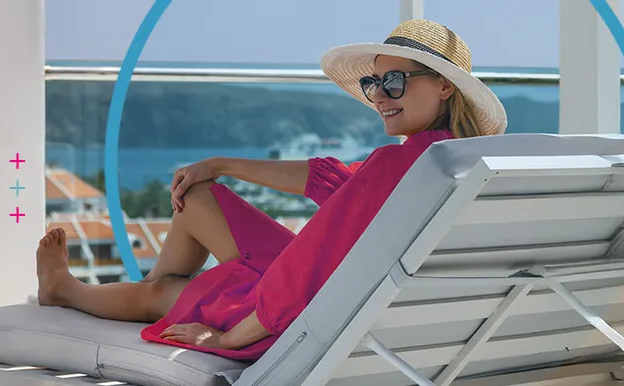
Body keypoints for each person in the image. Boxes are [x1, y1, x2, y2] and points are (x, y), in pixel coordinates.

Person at [32, 19, 508, 361]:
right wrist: (222, 165)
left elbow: (314, 262)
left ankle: (69, 291)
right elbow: (344, 188)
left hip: (299, 314)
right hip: (346, 299)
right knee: (198, 195)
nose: (380, 95)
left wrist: (228, 338)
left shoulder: (401, 165)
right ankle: (139, 290)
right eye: (374, 82)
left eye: (395, 81)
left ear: (445, 87)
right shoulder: (454, 162)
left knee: (172, 291)